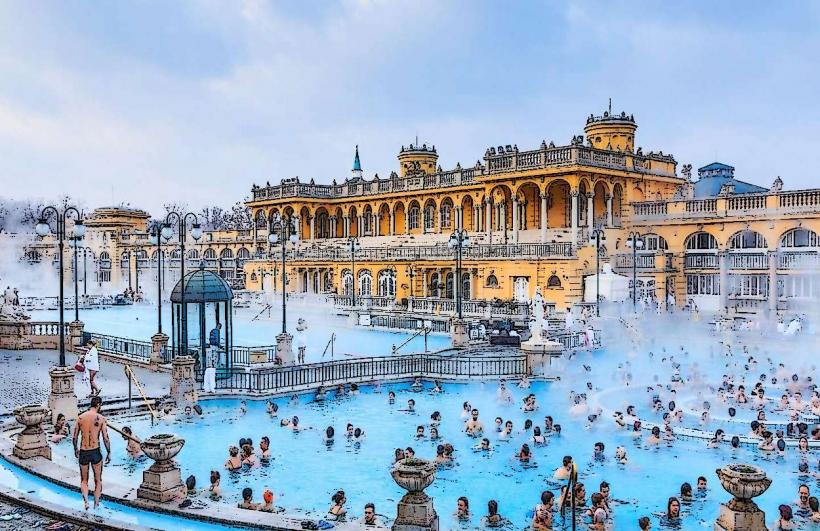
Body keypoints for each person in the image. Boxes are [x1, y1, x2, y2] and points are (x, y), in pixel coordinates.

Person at [72, 396, 111, 510]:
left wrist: (75, 449)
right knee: (98, 480)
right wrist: (109, 452)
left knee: (84, 480)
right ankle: (96, 504)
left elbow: (74, 437)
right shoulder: (101, 418)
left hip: (84, 451)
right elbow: (106, 438)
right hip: (95, 451)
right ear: (99, 405)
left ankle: (86, 502)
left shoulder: (80, 417)